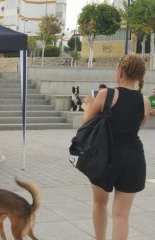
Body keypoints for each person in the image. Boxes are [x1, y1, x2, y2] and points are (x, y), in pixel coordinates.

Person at [82, 55, 150, 240]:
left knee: (100, 203)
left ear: (120, 71)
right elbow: (141, 123)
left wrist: (88, 103)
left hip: (105, 157)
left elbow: (86, 121)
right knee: (121, 215)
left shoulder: (106, 95)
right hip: (133, 160)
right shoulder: (144, 101)